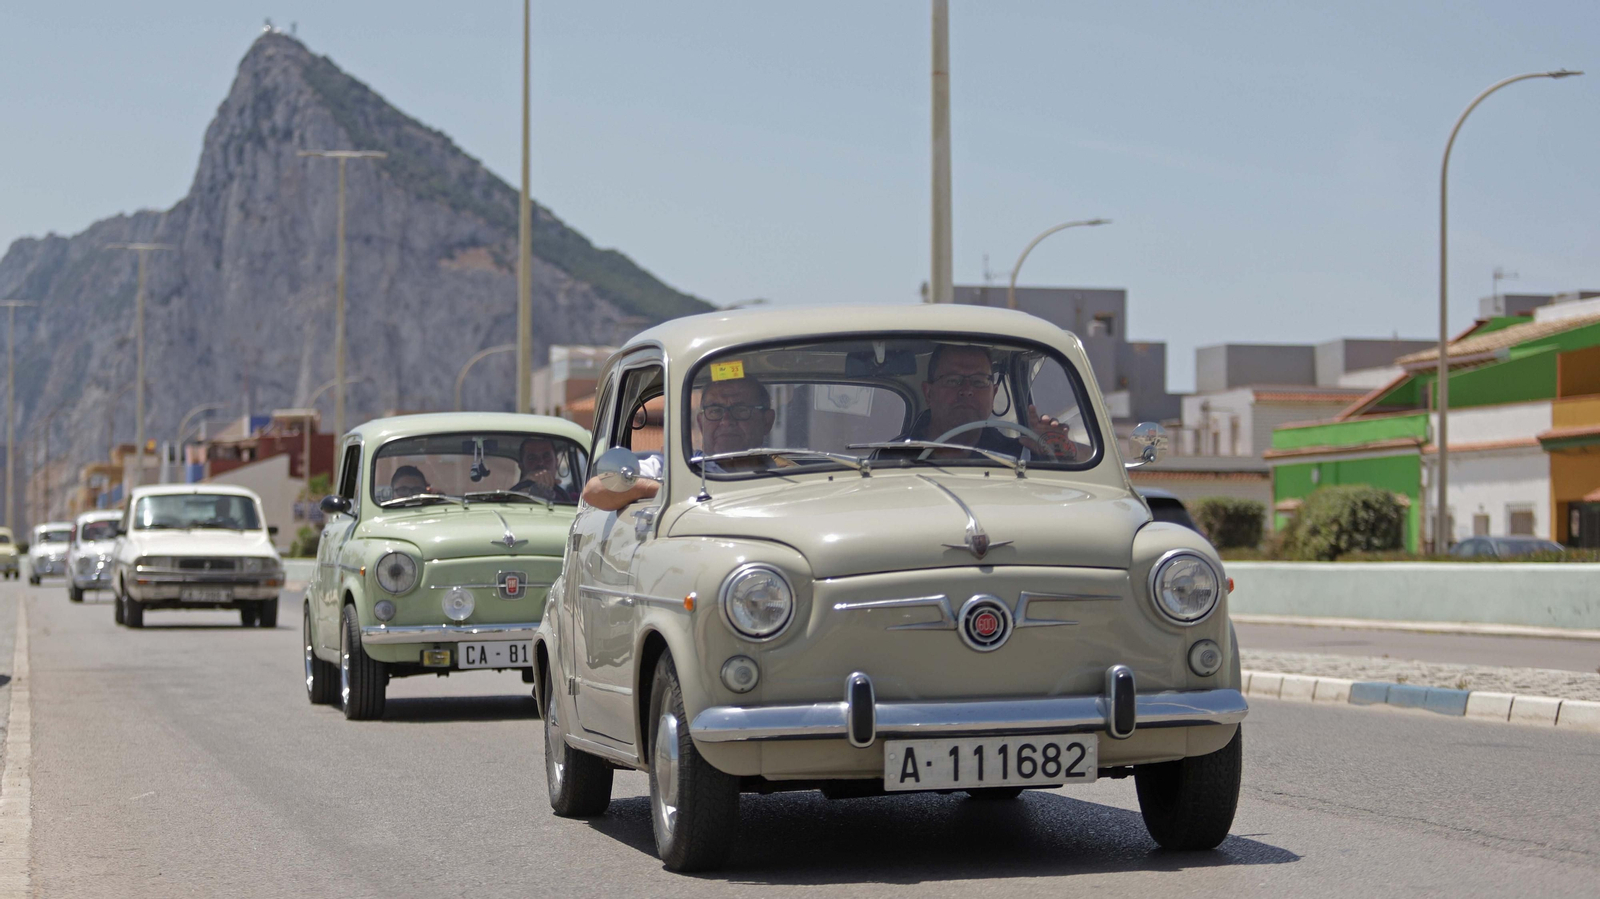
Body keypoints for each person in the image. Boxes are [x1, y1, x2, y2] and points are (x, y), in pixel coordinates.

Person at [581, 376, 776, 512]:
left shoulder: (793, 474)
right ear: (700, 422)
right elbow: (595, 491)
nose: (726, 421)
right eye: (715, 411)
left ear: (767, 421)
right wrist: (665, 491)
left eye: (741, 410)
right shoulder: (670, 468)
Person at [907, 344, 1076, 461]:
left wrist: (1062, 450)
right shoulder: (893, 456)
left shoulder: (1019, 457)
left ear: (993, 394)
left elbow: (1096, 472)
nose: (967, 390)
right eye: (953, 380)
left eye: (979, 381)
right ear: (929, 393)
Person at [509, 437, 577, 503]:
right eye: (532, 458)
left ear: (556, 463)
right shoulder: (510, 501)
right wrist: (523, 488)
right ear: (522, 467)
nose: (540, 463)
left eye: (546, 456)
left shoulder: (572, 500)